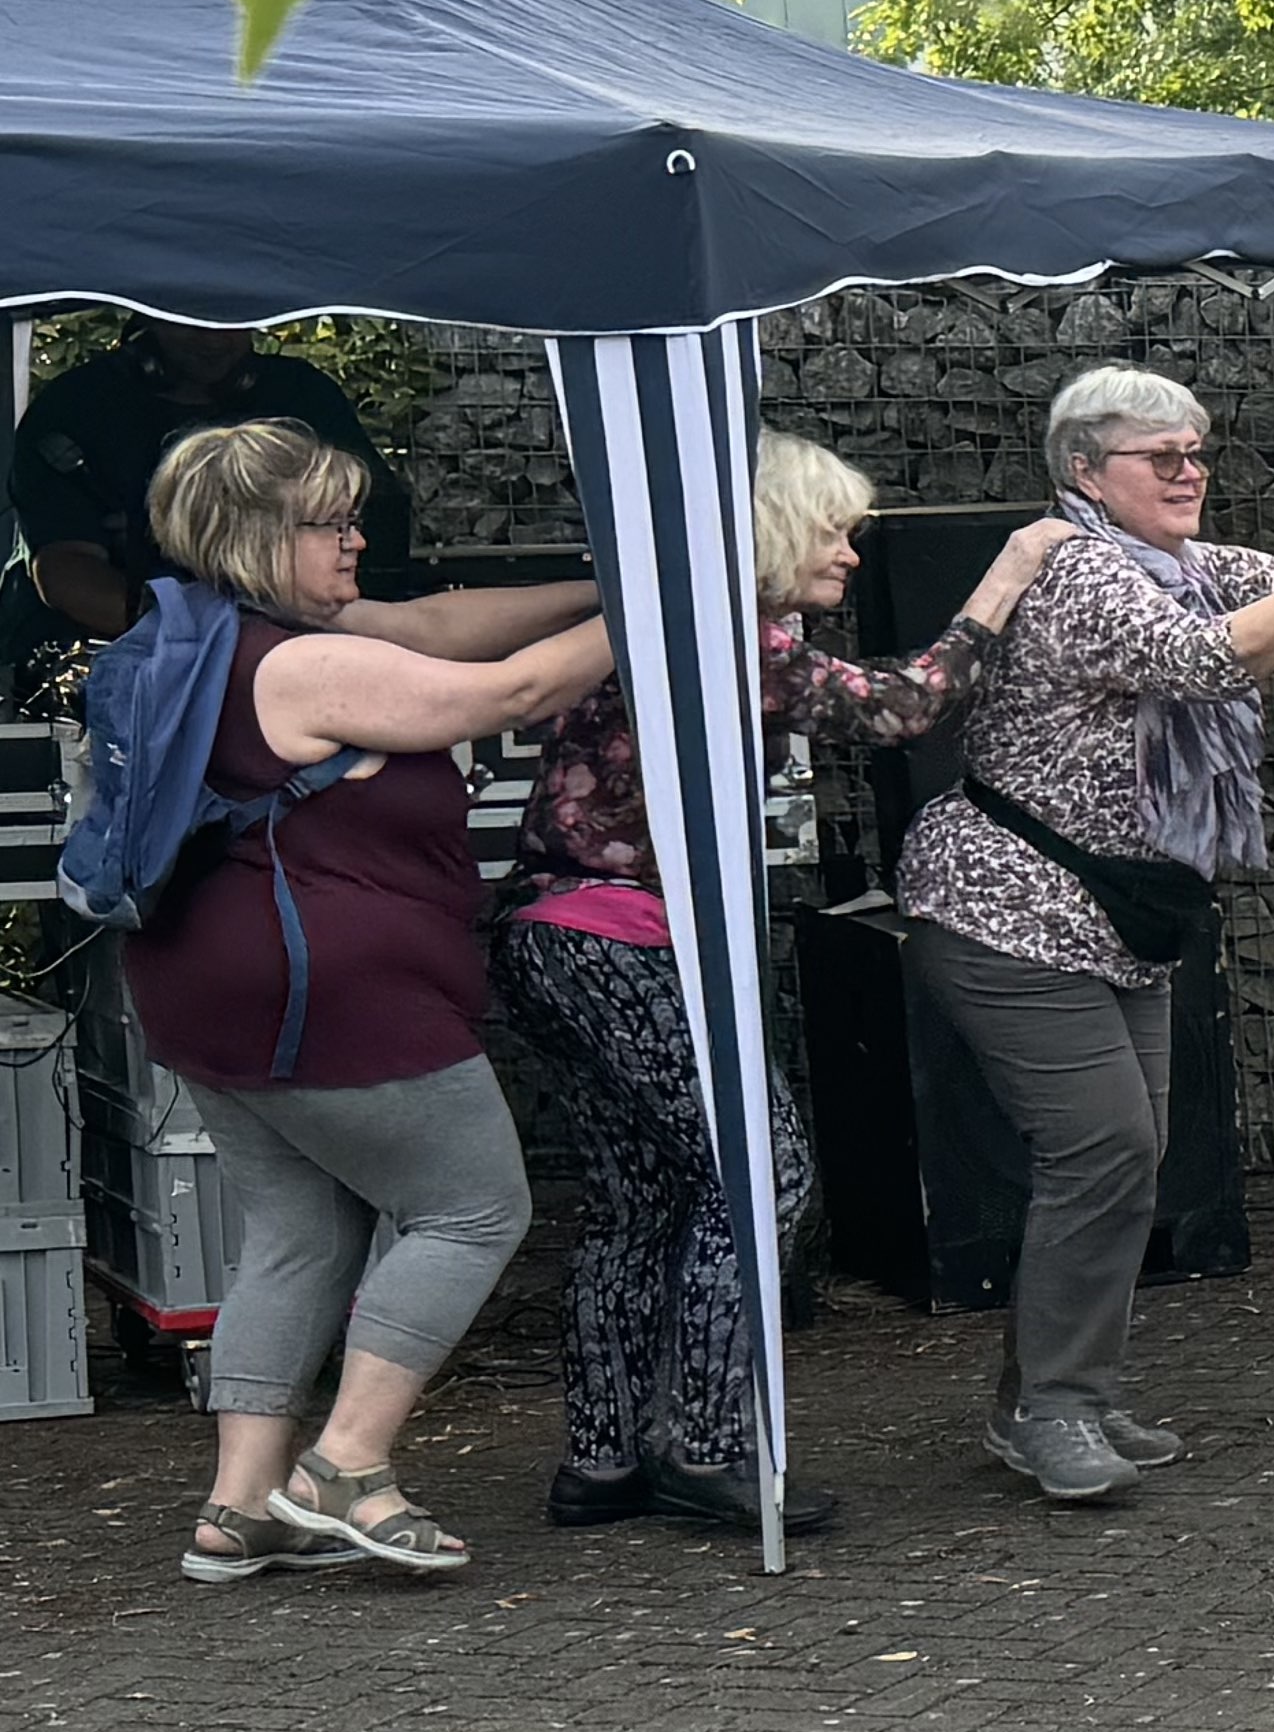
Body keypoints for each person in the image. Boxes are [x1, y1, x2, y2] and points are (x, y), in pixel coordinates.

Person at [894, 366, 1274, 1506]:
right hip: (1008, 911)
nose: (1191, 473)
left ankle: (1064, 1398)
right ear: (1086, 472)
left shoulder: (1188, 567)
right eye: (1163, 457)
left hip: (1114, 919)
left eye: (1198, 452)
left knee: (1123, 1158)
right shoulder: (1080, 566)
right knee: (1102, 1151)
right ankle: (1052, 1410)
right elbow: (1211, 658)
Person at [500, 436, 1057, 1538]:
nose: (852, 552)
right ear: (770, 531)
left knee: (639, 1202)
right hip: (626, 939)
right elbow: (902, 707)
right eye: (833, 529)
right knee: (762, 1173)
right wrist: (1000, 586)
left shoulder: (688, 624)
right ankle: (707, 1445)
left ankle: (604, 1454)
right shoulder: (730, 631)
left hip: (549, 933)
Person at [118, 417, 607, 1583]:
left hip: (203, 984)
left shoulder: (188, 640)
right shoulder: (302, 666)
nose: (355, 542)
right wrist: (683, 597)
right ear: (255, 538)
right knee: (474, 1210)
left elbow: (432, 628)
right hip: (330, 991)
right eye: (329, 525)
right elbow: (510, 688)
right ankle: (347, 1462)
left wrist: (614, 578)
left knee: (300, 1225)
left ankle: (240, 1508)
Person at [18, 318, 427, 645]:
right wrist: (195, 635)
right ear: (149, 316)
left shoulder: (304, 394)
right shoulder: (78, 405)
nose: (214, 340)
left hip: (302, 638)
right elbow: (64, 571)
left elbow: (379, 524)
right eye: (192, 322)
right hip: (137, 652)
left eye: (231, 319)